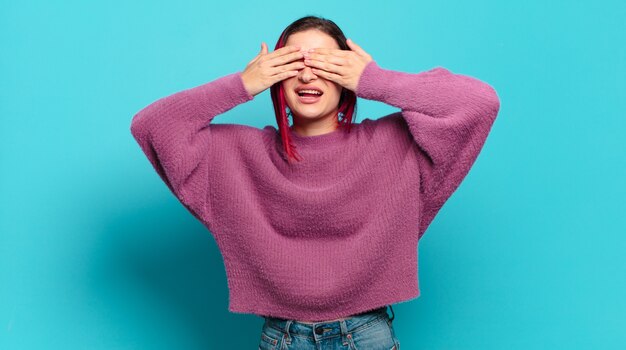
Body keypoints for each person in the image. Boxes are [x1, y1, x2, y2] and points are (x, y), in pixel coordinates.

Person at [130, 15, 500, 350]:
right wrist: (243, 84)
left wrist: (376, 80)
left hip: (368, 336)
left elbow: (480, 102)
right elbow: (152, 126)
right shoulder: (237, 153)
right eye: (293, 65)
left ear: (346, 78)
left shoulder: (396, 146)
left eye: (325, 65)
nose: (308, 76)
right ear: (276, 77)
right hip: (283, 338)